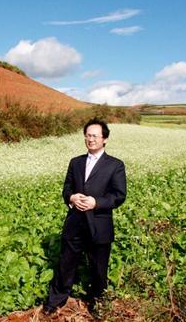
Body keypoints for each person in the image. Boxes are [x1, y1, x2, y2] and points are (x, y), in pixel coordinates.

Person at [43, 118, 127, 314]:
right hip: (75, 223)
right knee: (66, 263)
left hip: (99, 224)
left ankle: (97, 304)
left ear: (104, 139)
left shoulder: (115, 165)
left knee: (99, 268)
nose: (90, 139)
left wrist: (96, 202)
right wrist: (71, 197)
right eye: (88, 136)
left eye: (95, 136)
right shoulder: (76, 162)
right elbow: (66, 188)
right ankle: (55, 301)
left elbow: (119, 195)